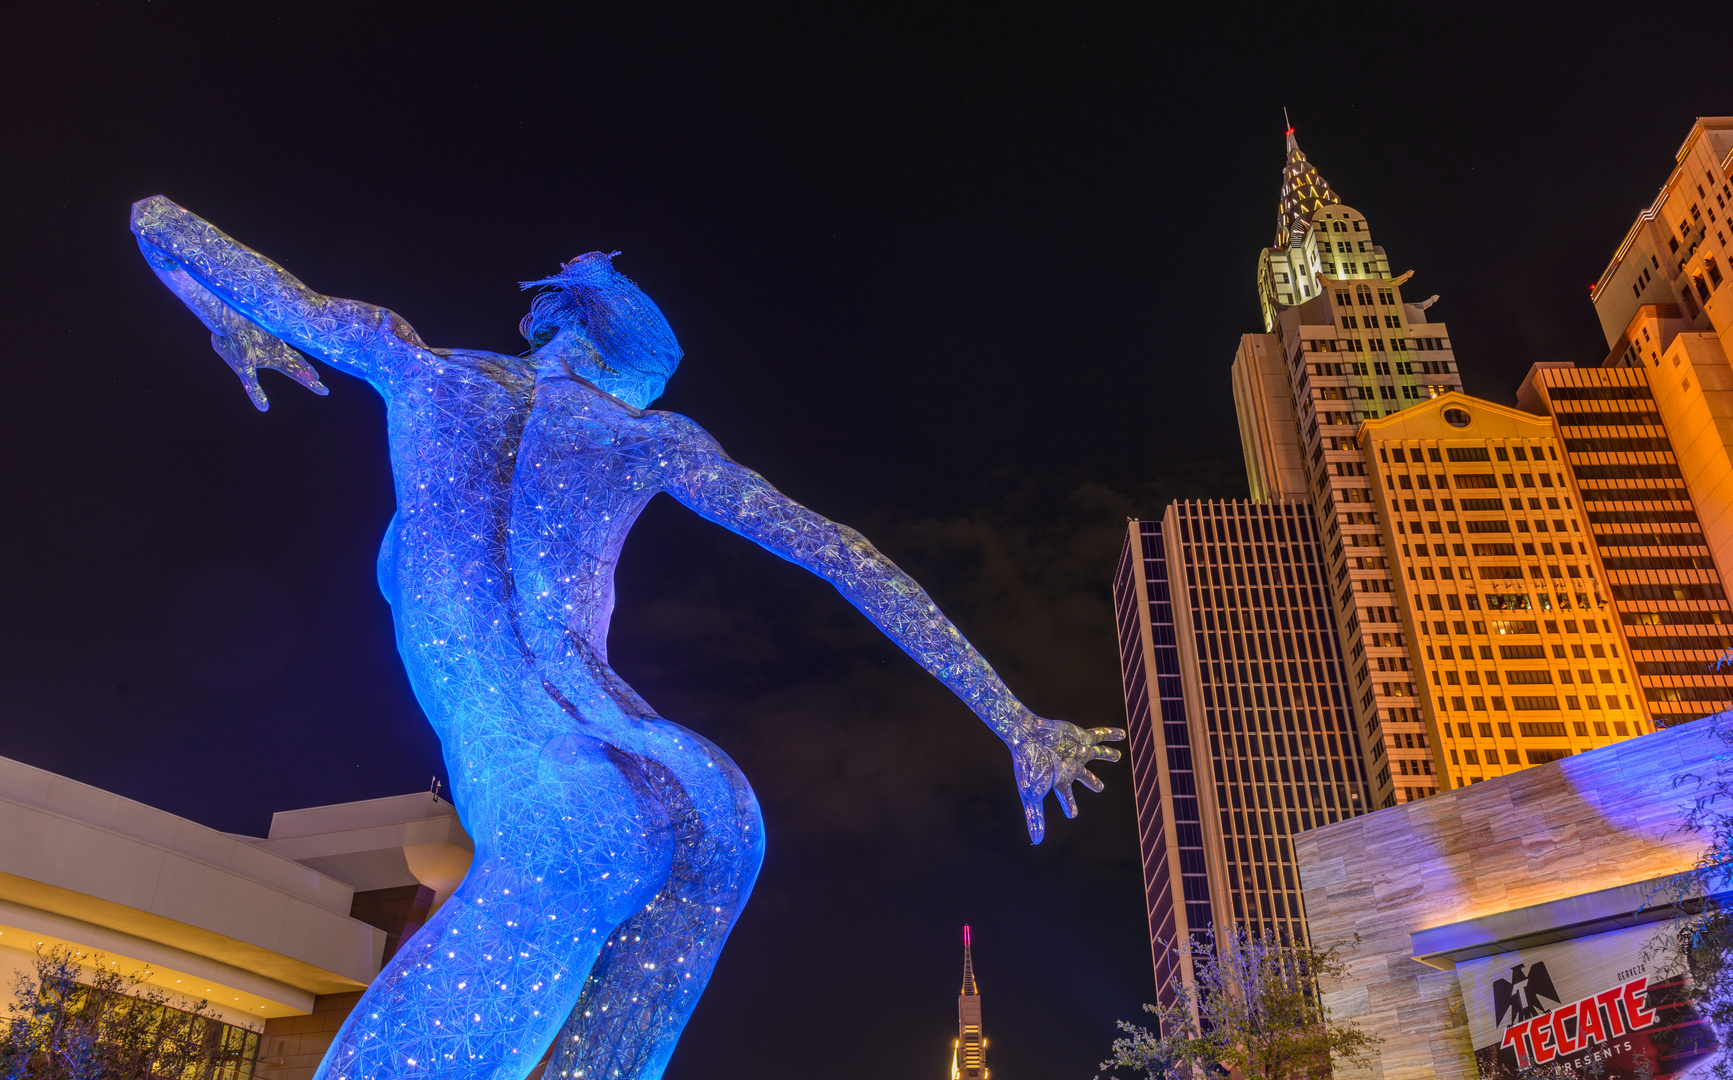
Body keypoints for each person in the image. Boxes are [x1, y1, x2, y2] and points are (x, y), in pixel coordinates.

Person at [132, 196, 1123, 1080]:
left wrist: (224, 316)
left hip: (560, 811)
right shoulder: (647, 439)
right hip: (697, 798)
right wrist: (1012, 719)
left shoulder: (411, 366)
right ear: (628, 372)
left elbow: (157, 219)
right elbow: (843, 555)